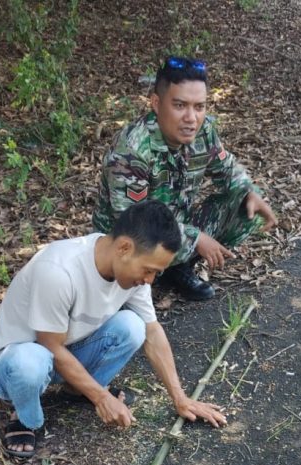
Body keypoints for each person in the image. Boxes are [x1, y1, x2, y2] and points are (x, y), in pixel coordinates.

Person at [0, 201, 227, 458]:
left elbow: (152, 332)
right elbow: (49, 345)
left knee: (133, 326)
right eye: (149, 270)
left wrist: (180, 398)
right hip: (13, 368)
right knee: (30, 361)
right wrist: (101, 397)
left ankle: (76, 390)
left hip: (61, 355)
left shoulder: (131, 273)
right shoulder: (59, 271)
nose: (150, 281)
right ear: (124, 248)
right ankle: (26, 420)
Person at [92, 56, 278, 302]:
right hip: (125, 246)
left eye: (199, 107)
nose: (191, 118)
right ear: (157, 104)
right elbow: (131, 222)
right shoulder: (133, 149)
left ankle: (174, 268)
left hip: (174, 226)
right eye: (180, 105)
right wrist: (196, 238)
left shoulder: (203, 132)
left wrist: (250, 191)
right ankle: (137, 279)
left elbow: (227, 169)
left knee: (244, 204)